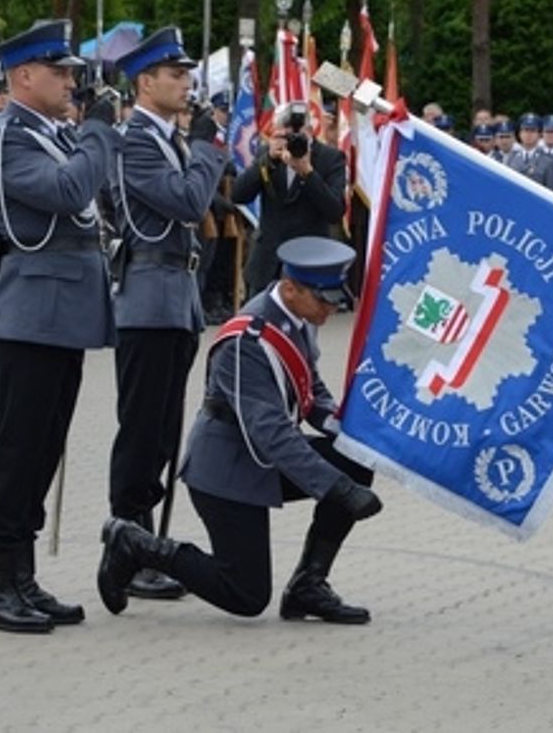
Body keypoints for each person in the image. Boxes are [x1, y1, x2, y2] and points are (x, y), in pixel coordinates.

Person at [97, 236, 382, 622]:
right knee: (246, 594)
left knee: (355, 457)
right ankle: (136, 544)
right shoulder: (248, 340)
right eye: (324, 300)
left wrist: (346, 429)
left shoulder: (299, 317)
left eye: (336, 300)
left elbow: (310, 389)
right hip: (226, 471)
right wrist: (338, 489)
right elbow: (271, 432)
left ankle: (307, 586)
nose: (332, 308)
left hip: (262, 458)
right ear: (290, 288)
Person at [0, 20, 124, 633]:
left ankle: (22, 577)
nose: (71, 81)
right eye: (59, 71)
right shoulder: (10, 137)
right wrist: (98, 133)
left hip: (59, 315)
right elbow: (67, 191)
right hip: (30, 315)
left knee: (43, 451)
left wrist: (88, 137)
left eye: (71, 72)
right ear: (23, 76)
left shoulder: (51, 134)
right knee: (18, 452)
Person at [106, 27, 227, 600]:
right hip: (148, 298)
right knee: (142, 433)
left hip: (174, 298)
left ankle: (143, 546)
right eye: (175, 75)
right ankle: (127, 545)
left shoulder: (167, 139)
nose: (187, 84)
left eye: (187, 74)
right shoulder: (135, 139)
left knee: (160, 433)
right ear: (144, 81)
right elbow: (185, 201)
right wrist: (204, 149)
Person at [232, 101, 347, 296]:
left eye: (299, 130)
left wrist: (308, 174)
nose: (293, 136)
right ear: (276, 130)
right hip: (267, 264)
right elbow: (239, 195)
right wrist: (267, 160)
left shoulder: (330, 158)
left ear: (311, 129)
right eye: (286, 130)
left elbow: (335, 211)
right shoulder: (266, 154)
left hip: (308, 263)